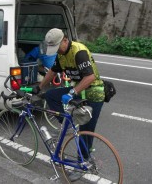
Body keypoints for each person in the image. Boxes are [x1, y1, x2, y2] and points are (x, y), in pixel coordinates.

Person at [33, 28, 105, 181]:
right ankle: (69, 124)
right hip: (78, 90)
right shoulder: (61, 54)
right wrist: (40, 86)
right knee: (51, 95)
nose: (57, 50)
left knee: (86, 130)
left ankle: (82, 163)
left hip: (93, 92)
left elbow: (90, 77)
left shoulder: (79, 51)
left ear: (65, 40)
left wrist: (72, 92)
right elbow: (53, 71)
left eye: (59, 46)